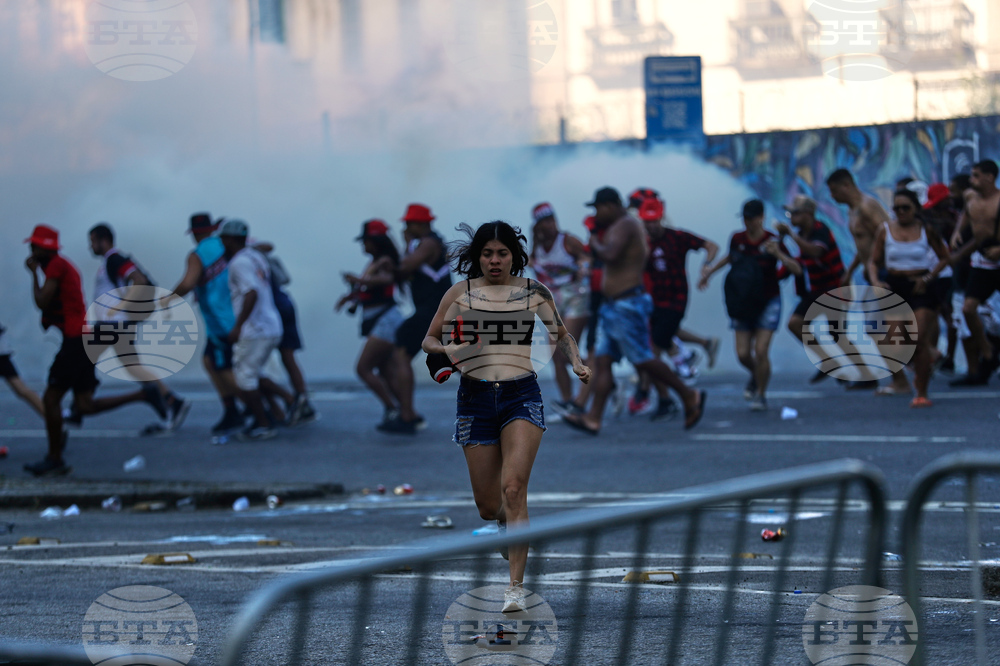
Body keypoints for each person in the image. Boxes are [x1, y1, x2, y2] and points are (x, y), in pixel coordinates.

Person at [421, 220, 591, 614]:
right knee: (488, 504)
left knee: (514, 490)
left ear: (514, 256)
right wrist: (449, 348)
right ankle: (503, 525)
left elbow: (562, 334)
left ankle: (515, 589)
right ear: (476, 257)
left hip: (521, 396)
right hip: (475, 399)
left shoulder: (533, 292)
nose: (495, 260)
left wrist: (578, 363)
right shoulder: (459, 294)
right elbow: (428, 339)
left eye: (502, 253)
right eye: (487, 253)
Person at [23, 225, 165, 476]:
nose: (30, 250)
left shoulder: (56, 266)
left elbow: (41, 301)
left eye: (34, 246)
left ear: (43, 248)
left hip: (75, 340)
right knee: (84, 404)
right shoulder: (59, 265)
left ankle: (55, 458)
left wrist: (33, 274)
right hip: (84, 338)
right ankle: (143, 396)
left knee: (51, 398)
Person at [563, 187, 705, 434]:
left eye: (598, 208)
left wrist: (594, 235)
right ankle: (593, 418)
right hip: (614, 305)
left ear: (609, 205)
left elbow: (610, 254)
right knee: (603, 361)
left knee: (643, 358)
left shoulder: (626, 224)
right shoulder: (621, 226)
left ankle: (688, 394)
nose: (596, 214)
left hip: (627, 304)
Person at [83, 223, 191, 434]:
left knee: (82, 357)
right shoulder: (109, 261)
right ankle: (172, 401)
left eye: (93, 242)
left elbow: (139, 281)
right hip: (116, 325)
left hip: (113, 326)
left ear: (103, 240)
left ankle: (78, 405)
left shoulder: (115, 259)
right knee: (133, 366)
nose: (91, 247)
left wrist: (121, 306)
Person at [699, 199, 797, 411]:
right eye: (745, 218)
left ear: (761, 218)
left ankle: (760, 393)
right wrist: (710, 273)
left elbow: (796, 269)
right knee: (743, 354)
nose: (748, 223)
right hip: (742, 300)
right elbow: (730, 257)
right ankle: (756, 374)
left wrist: (777, 254)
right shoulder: (737, 238)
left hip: (767, 298)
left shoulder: (772, 240)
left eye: (751, 218)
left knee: (761, 350)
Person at [827, 168, 908, 392]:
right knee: (882, 330)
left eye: (834, 191)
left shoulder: (866, 207)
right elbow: (864, 244)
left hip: (882, 276)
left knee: (879, 329)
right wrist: (851, 270)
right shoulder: (853, 211)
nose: (832, 197)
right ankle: (903, 374)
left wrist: (879, 272)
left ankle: (908, 373)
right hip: (872, 275)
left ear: (846, 186)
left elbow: (887, 238)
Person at [163, 213, 245, 434]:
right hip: (238, 314)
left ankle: (253, 406)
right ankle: (232, 409)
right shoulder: (227, 246)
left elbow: (188, 282)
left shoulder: (197, 255)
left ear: (195, 233)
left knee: (224, 367)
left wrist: (168, 300)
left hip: (220, 321)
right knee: (210, 361)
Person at [867, 189, 951, 407]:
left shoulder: (926, 231)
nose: (901, 212)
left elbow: (944, 257)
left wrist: (930, 276)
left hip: (921, 286)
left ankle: (921, 392)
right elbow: (873, 261)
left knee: (919, 338)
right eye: (897, 208)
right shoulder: (884, 231)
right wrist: (876, 281)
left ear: (916, 209)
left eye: (906, 208)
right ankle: (927, 360)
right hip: (896, 286)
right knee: (896, 344)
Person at [639, 195, 720, 418]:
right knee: (651, 356)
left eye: (654, 220)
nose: (651, 226)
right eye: (647, 221)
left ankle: (683, 369)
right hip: (651, 303)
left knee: (657, 346)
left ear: (662, 218)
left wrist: (706, 266)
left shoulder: (677, 237)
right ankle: (666, 395)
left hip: (675, 301)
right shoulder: (641, 243)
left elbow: (711, 246)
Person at [219, 220, 292, 440]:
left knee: (244, 380)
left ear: (230, 240)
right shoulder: (255, 257)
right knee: (253, 375)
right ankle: (291, 402)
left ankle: (263, 423)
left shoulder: (239, 262)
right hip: (270, 325)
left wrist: (238, 326)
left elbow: (251, 293)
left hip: (256, 329)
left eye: (223, 238)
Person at [382, 203, 452, 434]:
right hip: (435, 311)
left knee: (400, 354)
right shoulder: (430, 243)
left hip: (431, 311)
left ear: (419, 224)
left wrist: (403, 245)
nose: (406, 228)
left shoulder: (428, 244)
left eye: (409, 224)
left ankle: (407, 414)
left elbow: (404, 267)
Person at [336, 219, 406, 426]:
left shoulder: (384, 262)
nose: (363, 246)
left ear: (374, 242)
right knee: (384, 370)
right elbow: (371, 290)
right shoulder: (375, 262)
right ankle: (405, 412)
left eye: (365, 241)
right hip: (381, 321)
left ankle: (393, 409)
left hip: (385, 322)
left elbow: (386, 280)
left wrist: (358, 281)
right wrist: (352, 296)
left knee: (363, 368)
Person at [773, 195, 847, 383]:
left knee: (837, 333)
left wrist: (790, 234)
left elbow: (815, 251)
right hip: (816, 289)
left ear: (808, 214)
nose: (791, 217)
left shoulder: (819, 230)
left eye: (795, 213)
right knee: (795, 323)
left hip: (834, 288)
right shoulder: (803, 234)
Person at [529, 202, 590, 414]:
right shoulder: (536, 246)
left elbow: (587, 256)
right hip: (554, 301)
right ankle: (568, 399)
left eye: (552, 219)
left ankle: (600, 374)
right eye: (545, 221)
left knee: (566, 351)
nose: (550, 224)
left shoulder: (567, 241)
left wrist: (583, 265)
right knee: (555, 354)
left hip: (576, 296)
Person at [250, 240, 317, 426]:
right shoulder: (255, 255)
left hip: (269, 310)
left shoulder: (243, 258)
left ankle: (289, 402)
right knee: (287, 356)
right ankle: (297, 401)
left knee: (251, 366)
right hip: (283, 305)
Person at [948, 160, 1000, 385]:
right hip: (983, 261)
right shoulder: (971, 198)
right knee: (968, 309)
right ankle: (988, 354)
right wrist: (957, 233)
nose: (972, 180)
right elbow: (966, 216)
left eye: (977, 176)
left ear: (990, 177)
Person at [0, 321, 44, 418]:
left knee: (21, 389)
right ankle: (55, 420)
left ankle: (55, 420)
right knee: (21, 389)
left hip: (1, 354)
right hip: (2, 352)